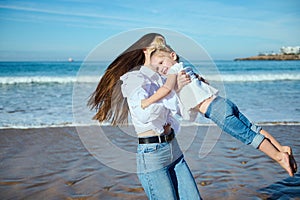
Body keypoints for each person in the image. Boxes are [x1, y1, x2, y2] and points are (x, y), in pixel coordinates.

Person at [141, 47, 297, 177]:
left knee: (249, 136)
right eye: (158, 68)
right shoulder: (186, 69)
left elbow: (166, 89)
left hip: (216, 111)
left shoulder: (174, 72)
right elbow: (200, 84)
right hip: (223, 103)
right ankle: (281, 148)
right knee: (253, 128)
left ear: (173, 56)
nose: (161, 68)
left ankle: (279, 157)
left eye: (162, 62)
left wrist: (147, 101)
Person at [88, 33, 202, 199]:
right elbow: (144, 115)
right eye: (158, 48)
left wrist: (191, 90)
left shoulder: (164, 79)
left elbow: (185, 114)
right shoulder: (133, 78)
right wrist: (170, 91)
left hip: (174, 148)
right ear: (146, 50)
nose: (162, 51)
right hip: (152, 153)